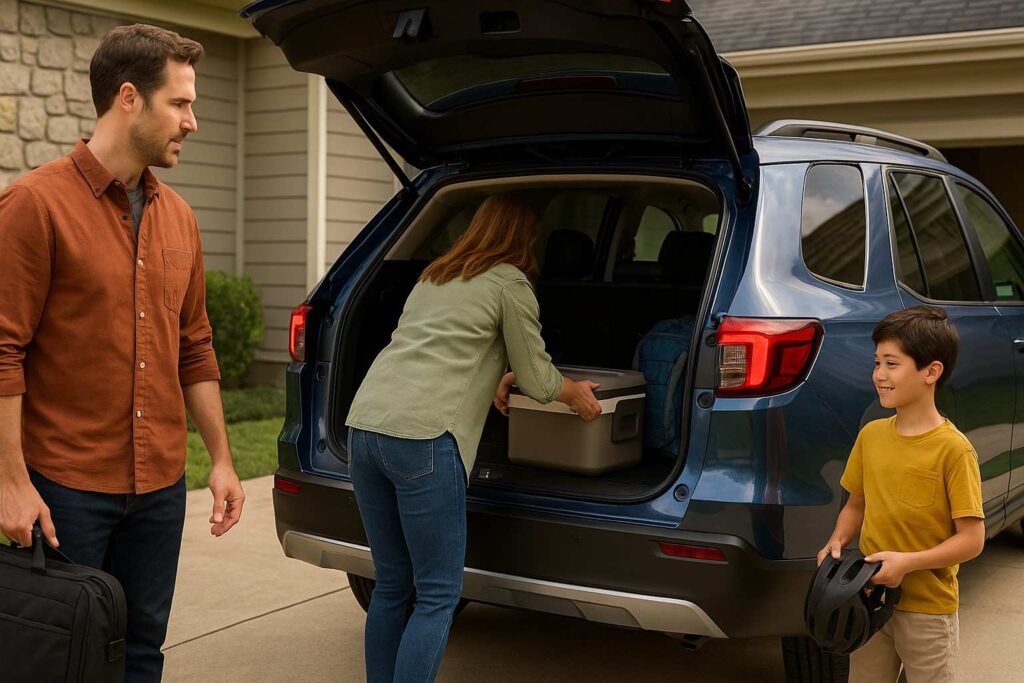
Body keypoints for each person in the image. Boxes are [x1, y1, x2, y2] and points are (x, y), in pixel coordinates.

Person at [0, 24, 245, 681]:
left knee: (141, 651)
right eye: (182, 103)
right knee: (64, 659)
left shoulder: (181, 220)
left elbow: (194, 345)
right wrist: (11, 481)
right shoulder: (34, 205)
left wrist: (221, 459)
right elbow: (2, 350)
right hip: (64, 487)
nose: (193, 122)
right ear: (128, 98)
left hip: (161, 486)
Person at [345, 194, 603, 682]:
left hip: (365, 427)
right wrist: (575, 396)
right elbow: (540, 379)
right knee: (439, 593)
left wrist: (498, 376)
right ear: (524, 236)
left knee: (391, 585)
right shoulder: (511, 283)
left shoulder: (434, 276)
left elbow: (446, 347)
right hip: (424, 439)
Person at [817, 305, 985, 682]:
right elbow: (855, 505)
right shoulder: (871, 436)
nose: (879, 375)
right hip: (867, 599)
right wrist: (837, 540)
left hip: (928, 609)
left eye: (892, 364)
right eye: (877, 363)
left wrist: (906, 563)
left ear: (931, 371)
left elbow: (972, 540)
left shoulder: (953, 451)